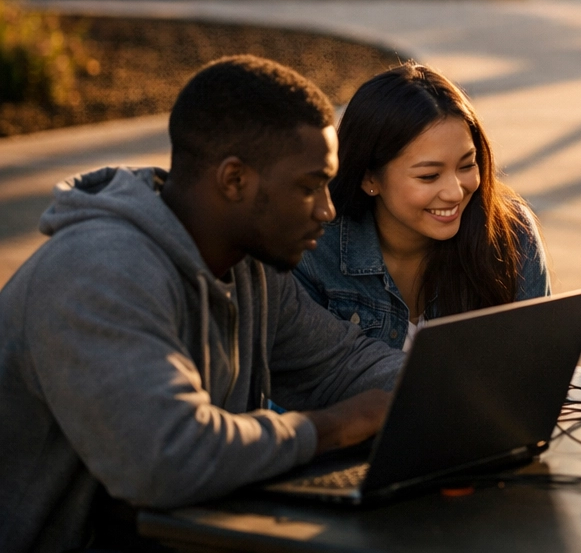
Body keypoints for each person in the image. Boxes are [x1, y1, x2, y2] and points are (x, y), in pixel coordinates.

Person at [0, 56, 404, 552]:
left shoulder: (248, 264)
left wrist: (455, 390)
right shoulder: (98, 272)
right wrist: (335, 427)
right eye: (307, 187)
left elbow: (340, 364)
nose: (327, 209)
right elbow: (165, 459)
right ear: (233, 180)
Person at [297, 64, 551, 350]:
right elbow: (312, 380)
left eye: (467, 165)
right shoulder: (312, 252)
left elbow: (536, 360)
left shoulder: (512, 234)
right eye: (428, 176)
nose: (455, 192)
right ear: (369, 177)